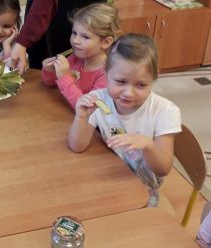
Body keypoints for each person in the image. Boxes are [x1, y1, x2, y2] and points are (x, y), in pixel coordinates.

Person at [67, 33, 181, 206]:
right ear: (105, 73)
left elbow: (164, 169)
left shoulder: (165, 111)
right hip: (111, 175)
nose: (128, 93)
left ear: (154, 78)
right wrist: (81, 117)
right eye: (120, 82)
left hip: (145, 188)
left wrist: (148, 145)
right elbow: (77, 146)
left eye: (141, 85)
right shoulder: (99, 99)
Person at [41, 3, 120, 109]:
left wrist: (63, 77)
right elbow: (50, 83)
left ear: (106, 42)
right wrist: (50, 71)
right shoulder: (74, 58)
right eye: (74, 33)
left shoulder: (107, 73)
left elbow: (87, 108)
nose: (75, 40)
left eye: (85, 37)